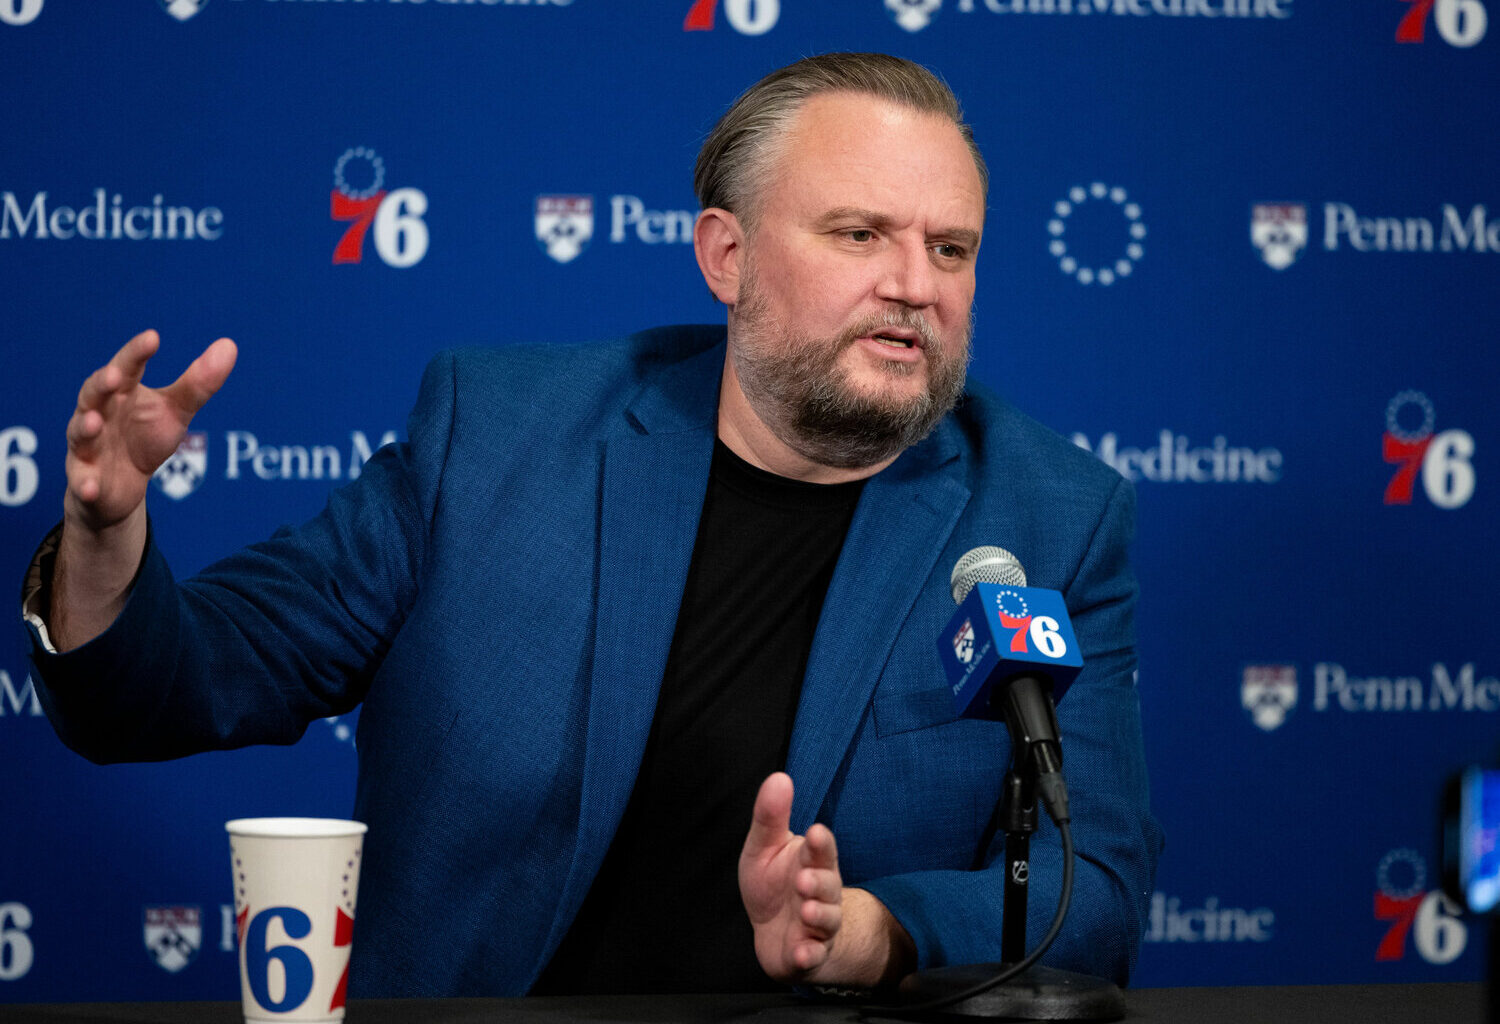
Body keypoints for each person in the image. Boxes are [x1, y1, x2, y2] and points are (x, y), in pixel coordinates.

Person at [22, 53, 1161, 996]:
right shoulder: (500, 435)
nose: (916, 283)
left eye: (950, 248)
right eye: (860, 235)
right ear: (727, 256)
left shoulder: (1044, 515)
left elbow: (1093, 884)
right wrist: (108, 543)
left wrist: (878, 931)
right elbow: (192, 678)